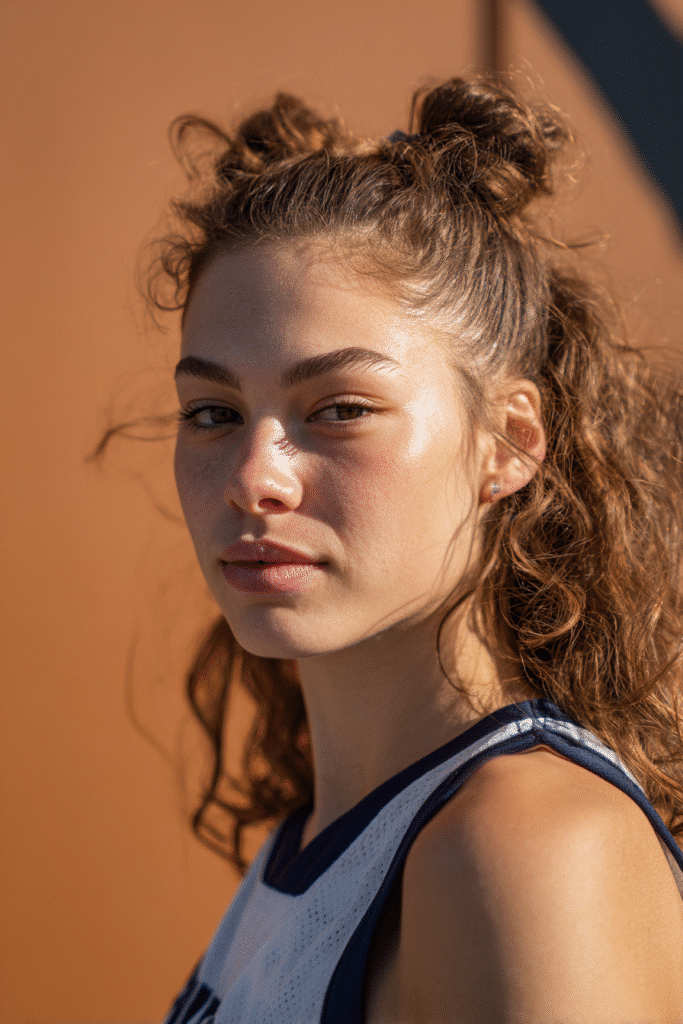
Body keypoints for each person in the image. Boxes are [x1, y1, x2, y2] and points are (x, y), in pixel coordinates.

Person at [92, 75, 683, 1022]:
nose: (255, 475)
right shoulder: (327, 834)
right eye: (213, 412)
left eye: (340, 410)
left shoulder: (525, 850)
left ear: (506, 442)